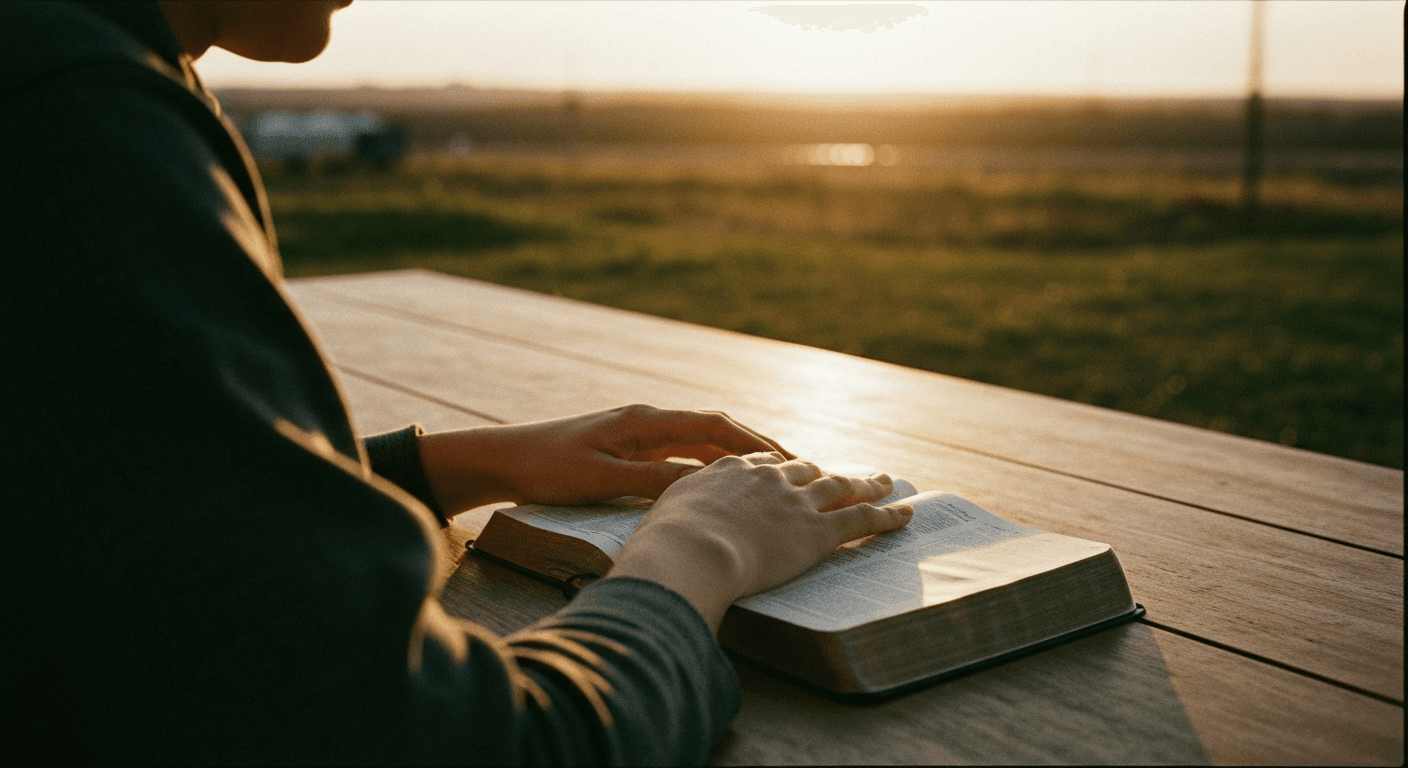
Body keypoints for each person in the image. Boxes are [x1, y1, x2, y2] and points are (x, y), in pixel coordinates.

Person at [0, 1, 913, 763]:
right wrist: (697, 552)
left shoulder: (65, 56)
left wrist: (450, 466)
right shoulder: (72, 123)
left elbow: (99, 499)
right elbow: (438, 742)